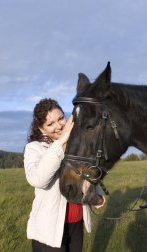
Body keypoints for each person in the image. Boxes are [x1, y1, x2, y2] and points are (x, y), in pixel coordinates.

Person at [23, 98, 104, 252]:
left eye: (61, 118)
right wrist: (60, 143)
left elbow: (86, 177)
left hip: (76, 223)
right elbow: (38, 179)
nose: (59, 125)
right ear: (41, 129)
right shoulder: (35, 148)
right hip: (50, 229)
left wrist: (96, 196)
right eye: (50, 124)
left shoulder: (77, 146)